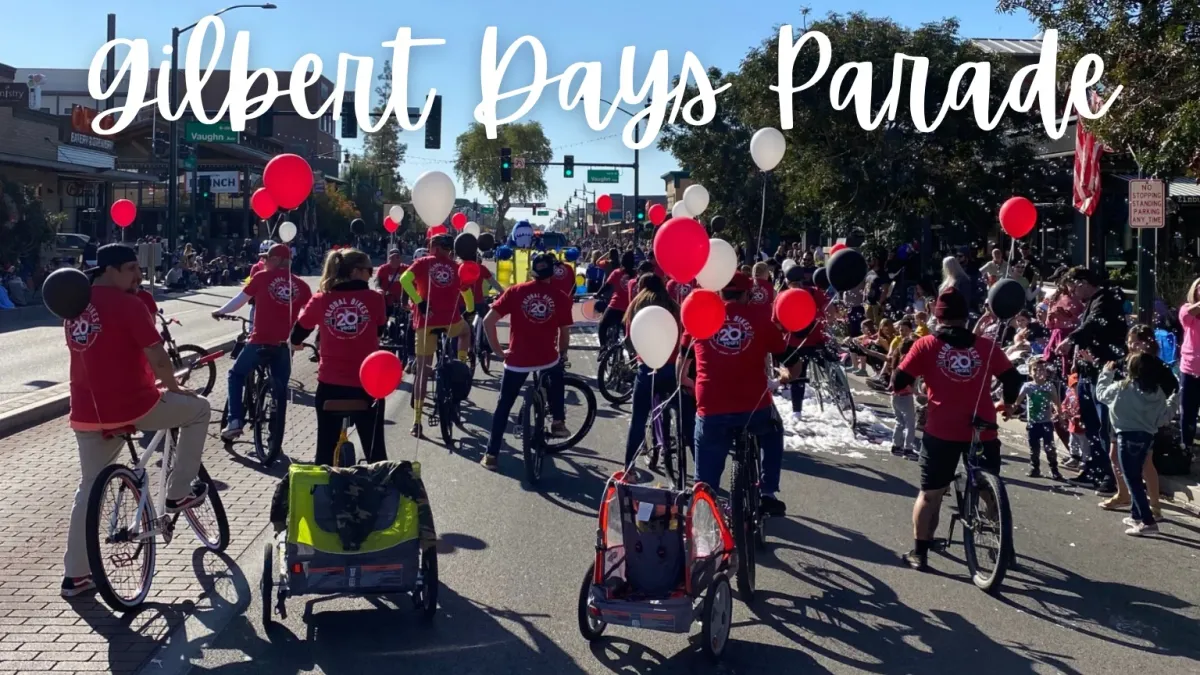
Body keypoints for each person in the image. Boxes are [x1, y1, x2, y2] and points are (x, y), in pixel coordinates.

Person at [63, 244, 210, 597]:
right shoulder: (128, 305)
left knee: (88, 490)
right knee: (199, 409)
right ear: (109, 269)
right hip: (134, 405)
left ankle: (76, 576)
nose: (138, 276)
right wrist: (176, 386)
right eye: (131, 268)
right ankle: (177, 493)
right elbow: (159, 358)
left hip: (86, 411)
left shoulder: (73, 304)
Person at [891, 288, 1022, 571]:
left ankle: (920, 553)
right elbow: (1013, 379)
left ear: (939, 317)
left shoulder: (925, 345)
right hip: (982, 428)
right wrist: (1008, 405)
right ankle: (1005, 550)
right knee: (989, 492)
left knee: (931, 493)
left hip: (942, 430)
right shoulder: (987, 347)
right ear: (966, 317)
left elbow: (898, 378)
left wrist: (914, 389)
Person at [684, 272, 789, 516]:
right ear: (747, 294)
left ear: (719, 293)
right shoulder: (760, 317)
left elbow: (685, 355)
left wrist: (689, 382)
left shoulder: (701, 316)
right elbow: (780, 348)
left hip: (711, 406)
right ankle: (767, 491)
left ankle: (703, 508)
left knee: (705, 481)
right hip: (755, 407)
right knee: (774, 430)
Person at [291, 248, 388, 465]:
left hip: (330, 385)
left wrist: (295, 344)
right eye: (368, 271)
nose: (371, 275)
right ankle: (379, 491)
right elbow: (380, 330)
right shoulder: (375, 299)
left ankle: (323, 493)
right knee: (376, 453)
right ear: (355, 271)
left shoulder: (321, 299)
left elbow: (298, 332)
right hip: (367, 385)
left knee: (324, 452)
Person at [480, 253, 574, 470]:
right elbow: (564, 334)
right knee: (556, 372)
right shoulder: (560, 297)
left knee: (504, 405)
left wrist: (497, 350)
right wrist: (563, 353)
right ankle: (558, 421)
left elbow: (488, 321)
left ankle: (491, 455)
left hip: (517, 360)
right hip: (547, 358)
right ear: (552, 273)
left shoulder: (516, 291)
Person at [212, 244, 312, 444]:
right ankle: (275, 432)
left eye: (267, 258)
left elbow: (240, 301)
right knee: (280, 388)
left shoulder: (262, 277)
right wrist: (297, 339)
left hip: (259, 340)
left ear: (276, 259)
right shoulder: (301, 285)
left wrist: (220, 312)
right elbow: (308, 315)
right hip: (285, 344)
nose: (264, 262)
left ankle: (235, 421)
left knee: (236, 374)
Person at [1055, 266, 1127, 493]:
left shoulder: (1105, 298)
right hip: (1088, 370)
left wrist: (1071, 339)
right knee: (1091, 425)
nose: (1074, 295)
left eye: (1074, 289)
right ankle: (1094, 468)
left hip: (1103, 372)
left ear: (1083, 282)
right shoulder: (1093, 302)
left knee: (1103, 425)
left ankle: (1109, 476)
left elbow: (1094, 324)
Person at [400, 234, 475, 438]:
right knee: (466, 331)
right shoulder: (457, 267)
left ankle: (417, 422)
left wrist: (419, 301)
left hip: (426, 321)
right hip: (450, 321)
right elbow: (466, 291)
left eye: (430, 244)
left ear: (435, 247)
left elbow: (404, 280)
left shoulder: (422, 262)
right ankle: (461, 362)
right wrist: (469, 309)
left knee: (423, 371)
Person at [1097, 352, 1177, 536]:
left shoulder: (1122, 387)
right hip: (1147, 437)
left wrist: (1106, 373)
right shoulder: (1157, 392)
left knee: (1132, 479)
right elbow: (1163, 418)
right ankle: (1136, 515)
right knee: (1136, 474)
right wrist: (1174, 399)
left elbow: (1101, 394)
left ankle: (1148, 522)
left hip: (1126, 437)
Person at [622, 272, 687, 470]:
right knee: (686, 417)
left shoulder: (637, 307)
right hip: (672, 367)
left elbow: (629, 339)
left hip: (648, 368)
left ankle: (629, 469)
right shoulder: (674, 308)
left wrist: (636, 355)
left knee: (638, 419)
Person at [1008, 358, 1063, 479]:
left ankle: (1054, 469)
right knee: (1034, 447)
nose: (1039, 372)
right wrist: (1010, 412)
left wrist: (1060, 414)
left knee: (1050, 447)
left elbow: (1056, 402)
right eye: (1035, 370)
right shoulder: (1027, 386)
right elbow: (1018, 402)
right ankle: (1035, 468)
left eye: (1042, 369)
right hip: (1033, 422)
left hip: (1046, 422)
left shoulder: (1050, 386)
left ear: (1046, 373)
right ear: (1030, 373)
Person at [596, 250, 636, 348]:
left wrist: (598, 294)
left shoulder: (617, 272)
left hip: (615, 306)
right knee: (630, 334)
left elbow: (607, 285)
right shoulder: (637, 275)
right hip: (630, 308)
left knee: (602, 325)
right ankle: (631, 355)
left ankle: (603, 348)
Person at [1177, 278, 1200, 450]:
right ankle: (1187, 446)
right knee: (1188, 411)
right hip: (1190, 369)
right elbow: (1186, 316)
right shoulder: (1187, 309)